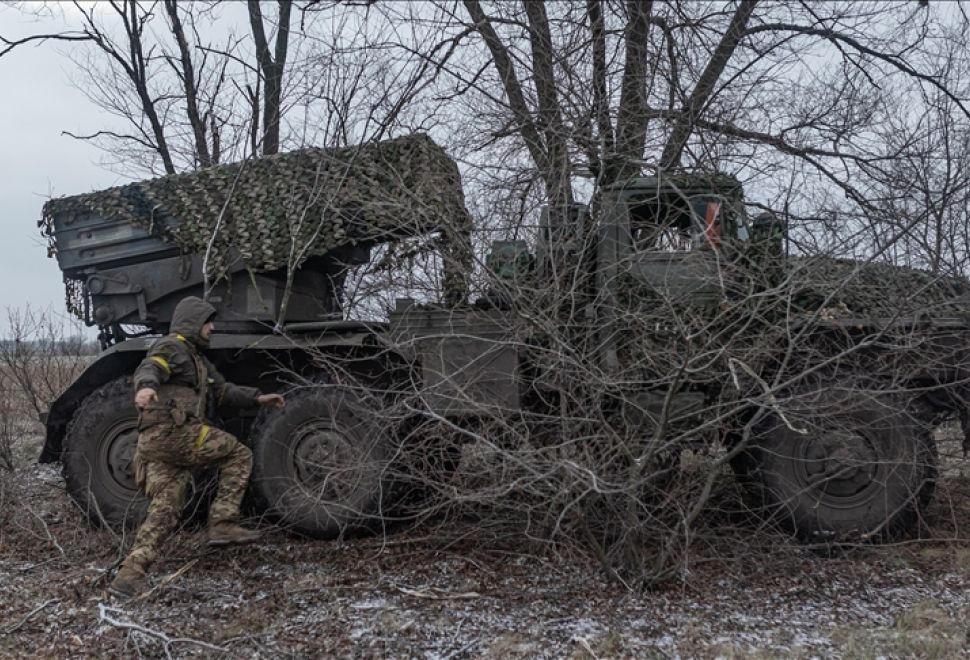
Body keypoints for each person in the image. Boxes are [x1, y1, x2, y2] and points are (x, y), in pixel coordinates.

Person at [109, 296, 285, 598]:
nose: (212, 328)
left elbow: (223, 391)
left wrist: (256, 398)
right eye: (207, 322)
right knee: (238, 454)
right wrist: (147, 386)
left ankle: (129, 576)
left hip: (158, 443)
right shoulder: (172, 347)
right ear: (193, 323)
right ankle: (223, 522)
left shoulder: (197, 361)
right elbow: (152, 365)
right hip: (175, 434)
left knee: (165, 508)